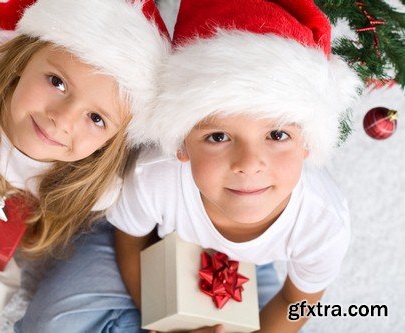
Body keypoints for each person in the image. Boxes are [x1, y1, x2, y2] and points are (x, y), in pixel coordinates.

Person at [0, 0, 169, 331]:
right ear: (22, 59)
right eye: (57, 82)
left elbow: (47, 222)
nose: (62, 120)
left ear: (112, 141)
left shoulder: (99, 185)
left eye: (96, 118)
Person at [109, 0, 362, 332]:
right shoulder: (153, 177)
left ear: (308, 144)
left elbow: (296, 301)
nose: (249, 165)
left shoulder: (322, 223)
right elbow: (130, 242)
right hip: (150, 244)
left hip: (252, 266)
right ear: (182, 144)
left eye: (276, 134)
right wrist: (162, 318)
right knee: (64, 319)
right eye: (218, 137)